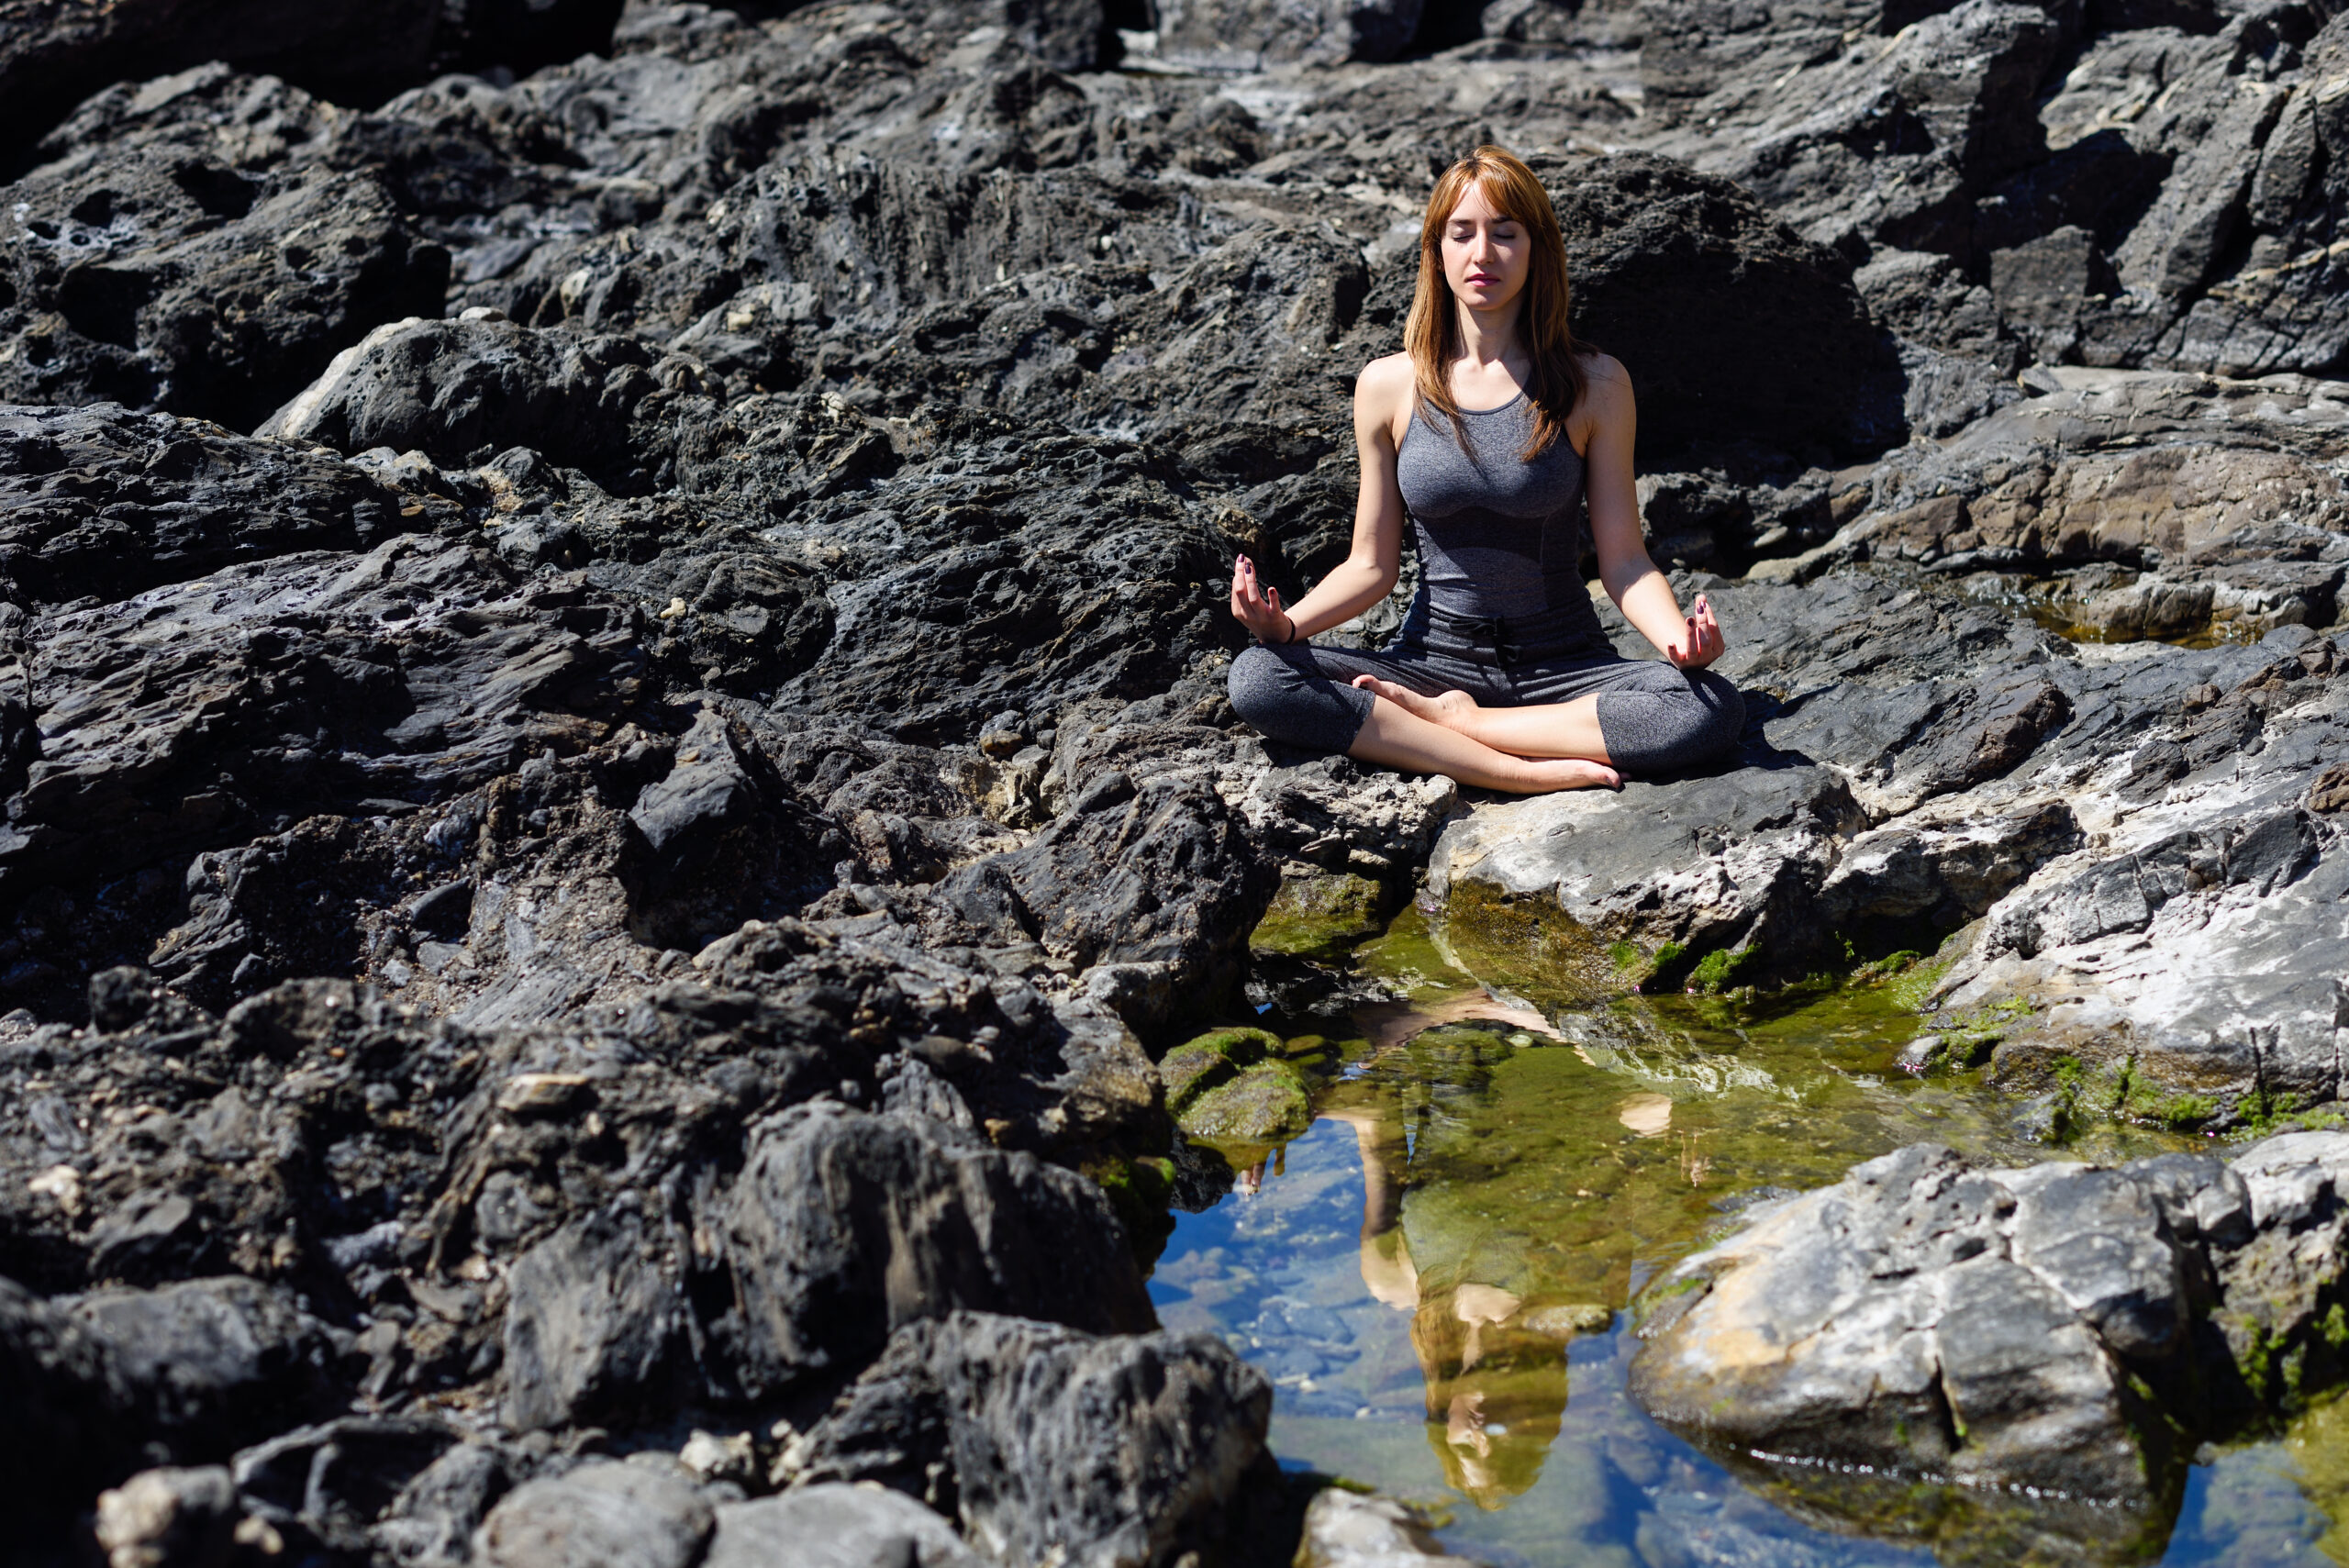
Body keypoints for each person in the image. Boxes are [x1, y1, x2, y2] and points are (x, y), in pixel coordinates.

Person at [1226, 145, 1744, 794]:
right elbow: (1371, 566)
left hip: (1565, 669)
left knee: (1709, 707)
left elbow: (1625, 561)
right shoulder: (1389, 386)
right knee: (1258, 675)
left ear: (1536, 249)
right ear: (1436, 250)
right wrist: (1289, 624)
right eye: (1462, 233)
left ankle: (1460, 729)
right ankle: (1506, 767)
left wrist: (1678, 643)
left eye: (1505, 234)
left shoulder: (1595, 384)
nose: (1483, 254)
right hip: (1432, 659)